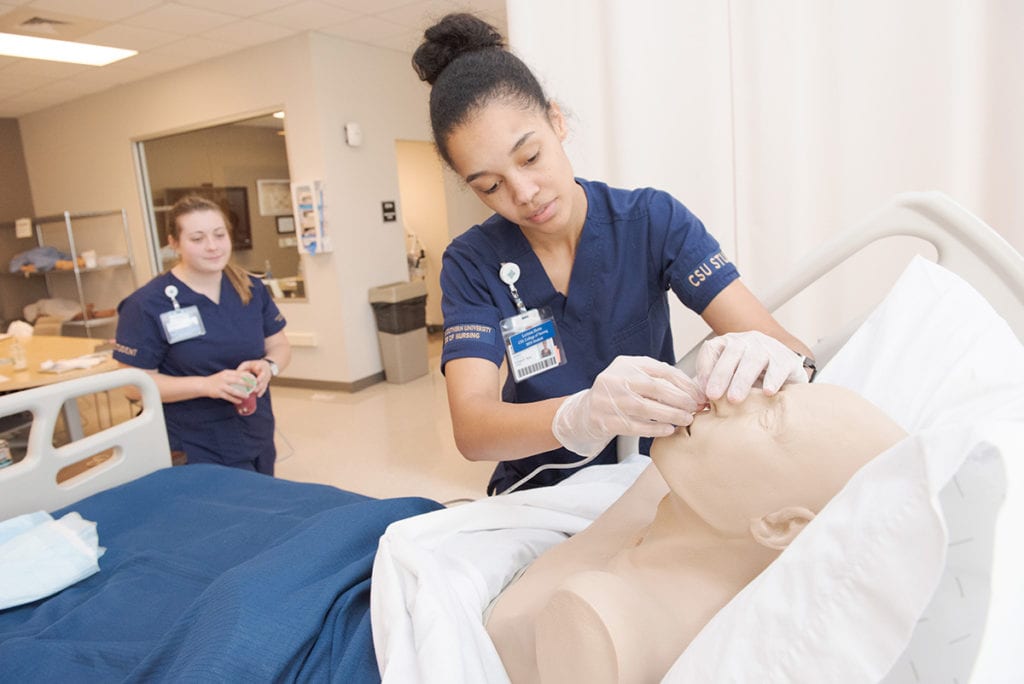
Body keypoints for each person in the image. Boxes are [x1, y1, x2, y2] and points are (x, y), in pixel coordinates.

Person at [412, 13, 816, 494]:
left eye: (530, 157)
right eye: (490, 186)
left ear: (556, 120)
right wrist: (577, 415)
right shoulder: (472, 263)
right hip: (539, 495)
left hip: (651, 479)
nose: (523, 193)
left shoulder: (652, 222)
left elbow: (792, 351)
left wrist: (773, 358)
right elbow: (474, 430)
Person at [485, 382, 908, 683]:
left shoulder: (606, 621)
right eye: (766, 387)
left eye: (768, 417)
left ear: (781, 525)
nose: (728, 398)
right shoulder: (667, 490)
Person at [113, 195, 291, 475]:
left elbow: (279, 344)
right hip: (193, 442)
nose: (212, 246)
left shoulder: (251, 289)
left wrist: (269, 366)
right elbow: (133, 386)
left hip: (254, 429)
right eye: (197, 238)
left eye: (219, 235)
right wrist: (206, 386)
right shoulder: (147, 304)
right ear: (174, 243)